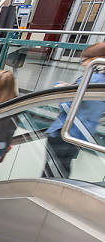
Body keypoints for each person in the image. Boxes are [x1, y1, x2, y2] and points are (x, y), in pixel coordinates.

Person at [44, 42, 105, 178]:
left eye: (86, 60)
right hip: (80, 134)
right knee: (62, 168)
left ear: (97, 60)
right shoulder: (101, 80)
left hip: (64, 131)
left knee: (51, 171)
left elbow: (68, 105)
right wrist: (71, 87)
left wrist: (61, 90)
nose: (83, 64)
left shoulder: (91, 79)